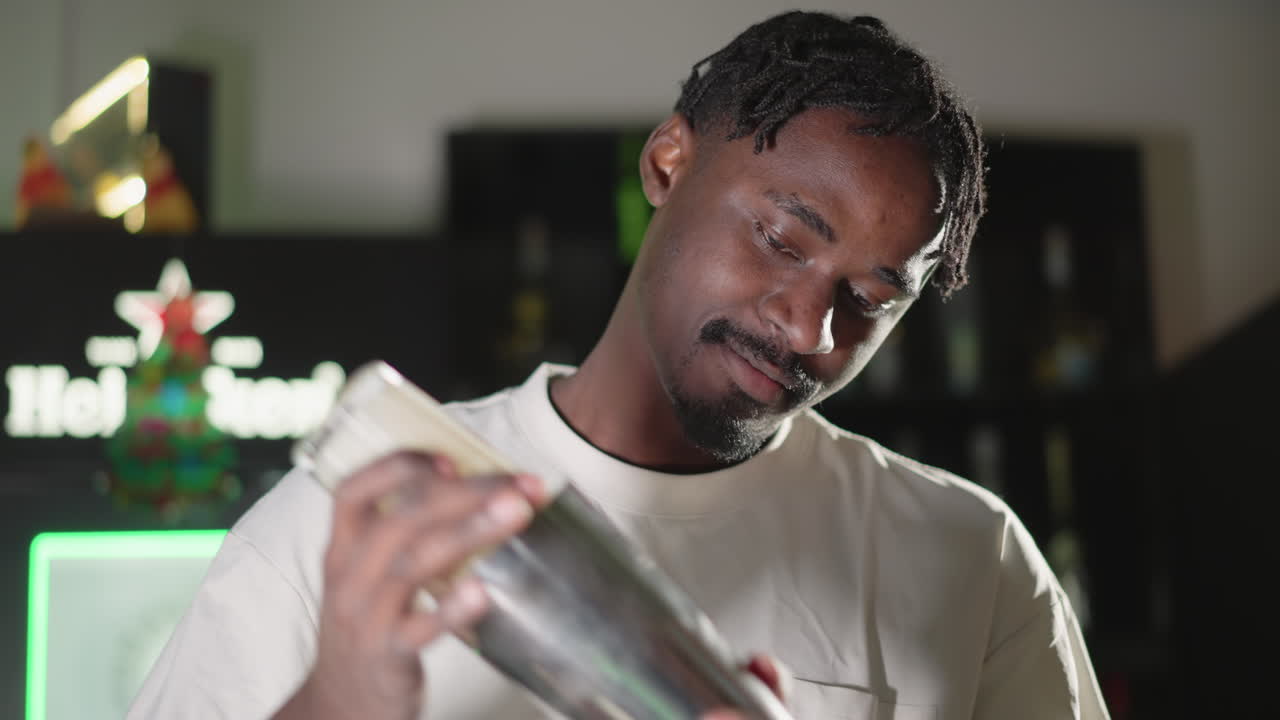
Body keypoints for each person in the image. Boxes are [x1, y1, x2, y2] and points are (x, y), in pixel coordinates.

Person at [129, 10, 1108, 720]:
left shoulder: (969, 556)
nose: (810, 326)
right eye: (780, 239)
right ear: (667, 163)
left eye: (870, 298)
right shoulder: (351, 529)